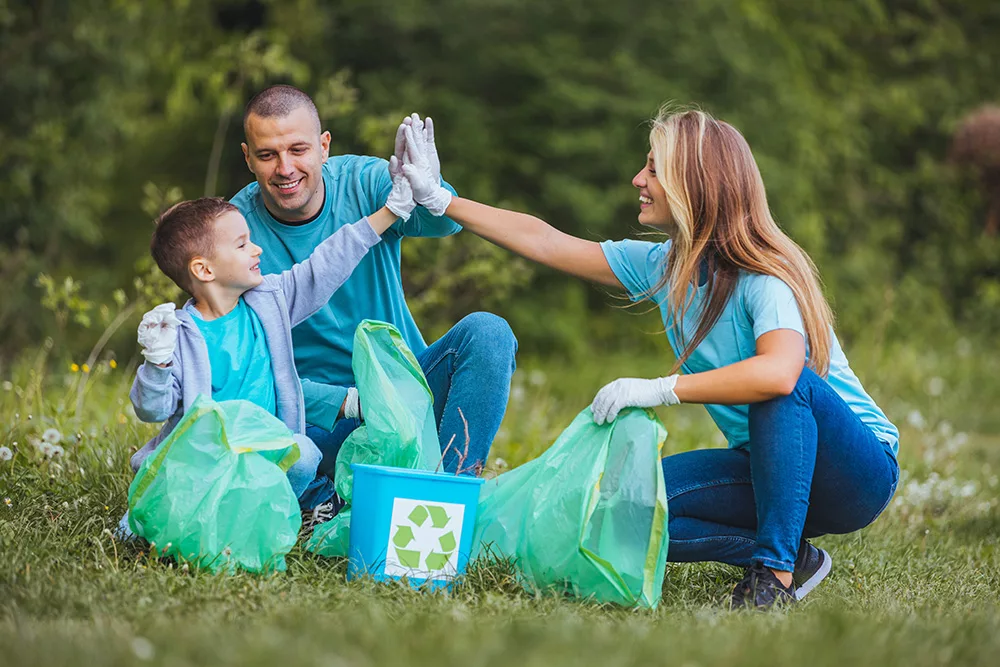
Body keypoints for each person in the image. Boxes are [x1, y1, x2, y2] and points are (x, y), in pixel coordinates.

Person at [397, 108, 900, 609]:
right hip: (766, 472)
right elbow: (547, 241)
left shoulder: (763, 280)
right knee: (621, 515)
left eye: (655, 170)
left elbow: (781, 372)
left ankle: (774, 577)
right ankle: (792, 554)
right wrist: (443, 200)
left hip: (853, 474)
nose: (639, 180)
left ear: (694, 184)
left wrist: (661, 388)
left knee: (781, 388)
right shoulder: (667, 268)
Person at [231, 86, 517, 523]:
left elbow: (441, 227)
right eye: (267, 155)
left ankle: (453, 502)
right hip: (314, 423)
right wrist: (344, 403)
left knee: (489, 332)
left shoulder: (363, 182)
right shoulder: (234, 231)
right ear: (248, 158)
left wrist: (432, 190)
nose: (285, 168)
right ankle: (331, 494)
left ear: (324, 146)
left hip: (403, 395)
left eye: (298, 149)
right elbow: (242, 367)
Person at [128, 194, 407, 522]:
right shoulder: (177, 337)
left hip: (265, 456)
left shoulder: (270, 301)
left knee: (302, 455)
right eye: (242, 244)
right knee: (161, 510)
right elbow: (153, 409)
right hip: (206, 466)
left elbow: (325, 265)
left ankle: (279, 511)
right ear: (204, 269)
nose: (256, 249)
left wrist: (390, 212)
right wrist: (157, 362)